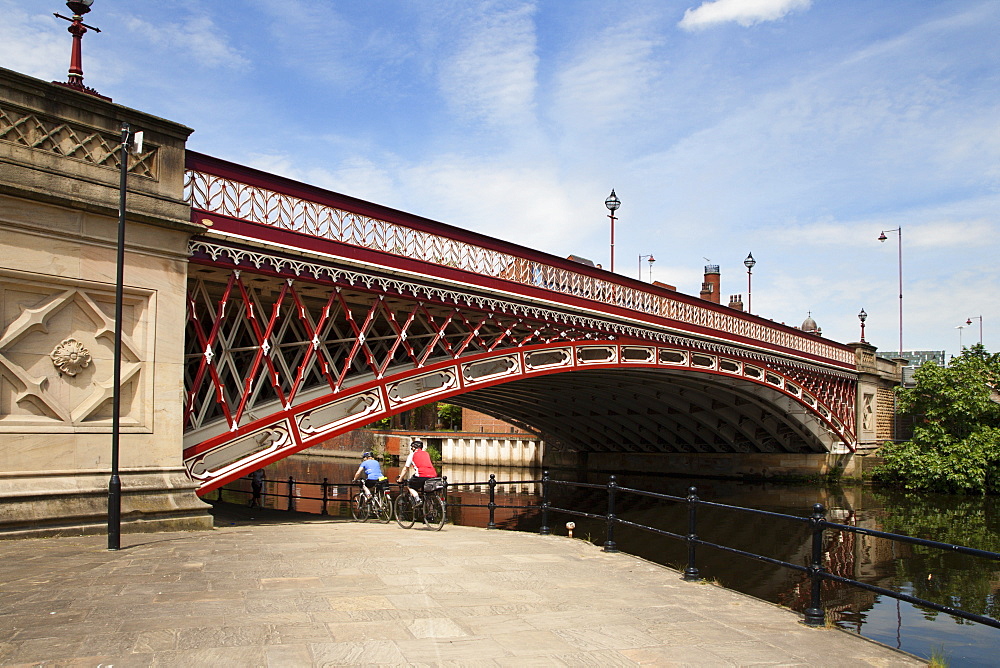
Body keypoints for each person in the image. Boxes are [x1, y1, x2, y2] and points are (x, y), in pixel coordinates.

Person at [397, 440, 437, 504]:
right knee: (427, 492)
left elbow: (405, 468)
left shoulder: (412, 455)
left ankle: (417, 499)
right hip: (433, 475)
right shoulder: (426, 454)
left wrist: (400, 479)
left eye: (411, 448)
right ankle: (430, 508)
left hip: (421, 475)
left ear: (413, 448)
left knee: (409, 485)